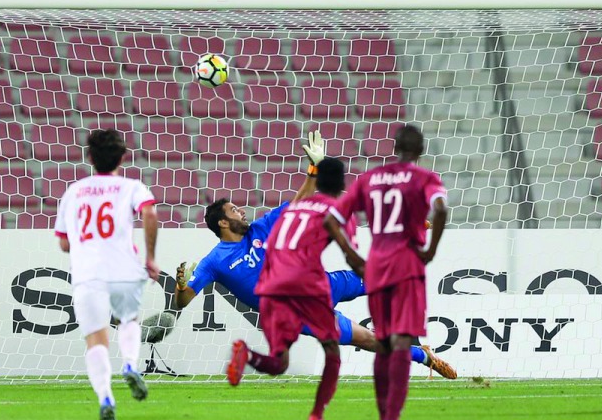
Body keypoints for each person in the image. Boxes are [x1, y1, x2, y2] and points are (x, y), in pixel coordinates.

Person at [162, 131, 456, 379]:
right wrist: (179, 286)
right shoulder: (215, 261)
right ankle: (423, 356)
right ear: (223, 223)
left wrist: (314, 168)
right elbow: (184, 299)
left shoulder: (262, 227)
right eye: (234, 211)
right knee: (367, 340)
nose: (242, 211)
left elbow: (300, 199)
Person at [327, 124, 448, 420]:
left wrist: (352, 258)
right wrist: (431, 249)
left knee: (383, 341)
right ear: (420, 150)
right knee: (401, 341)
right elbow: (440, 208)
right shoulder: (425, 179)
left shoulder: (369, 179)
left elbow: (332, 219)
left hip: (376, 266)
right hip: (407, 265)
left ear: (394, 147)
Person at [226, 157, 350, 420]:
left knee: (279, 362)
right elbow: (345, 243)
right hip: (304, 283)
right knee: (331, 348)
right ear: (342, 183)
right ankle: (316, 416)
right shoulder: (337, 208)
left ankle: (247, 355)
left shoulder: (294, 210)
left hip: (270, 285)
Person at [54, 129, 161, 420]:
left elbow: (63, 243)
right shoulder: (131, 186)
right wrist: (150, 257)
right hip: (126, 269)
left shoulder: (73, 192)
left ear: (90, 157)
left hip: (89, 274)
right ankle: (130, 363)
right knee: (129, 320)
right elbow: (149, 213)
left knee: (96, 340)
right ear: (122, 157)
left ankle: (106, 399)